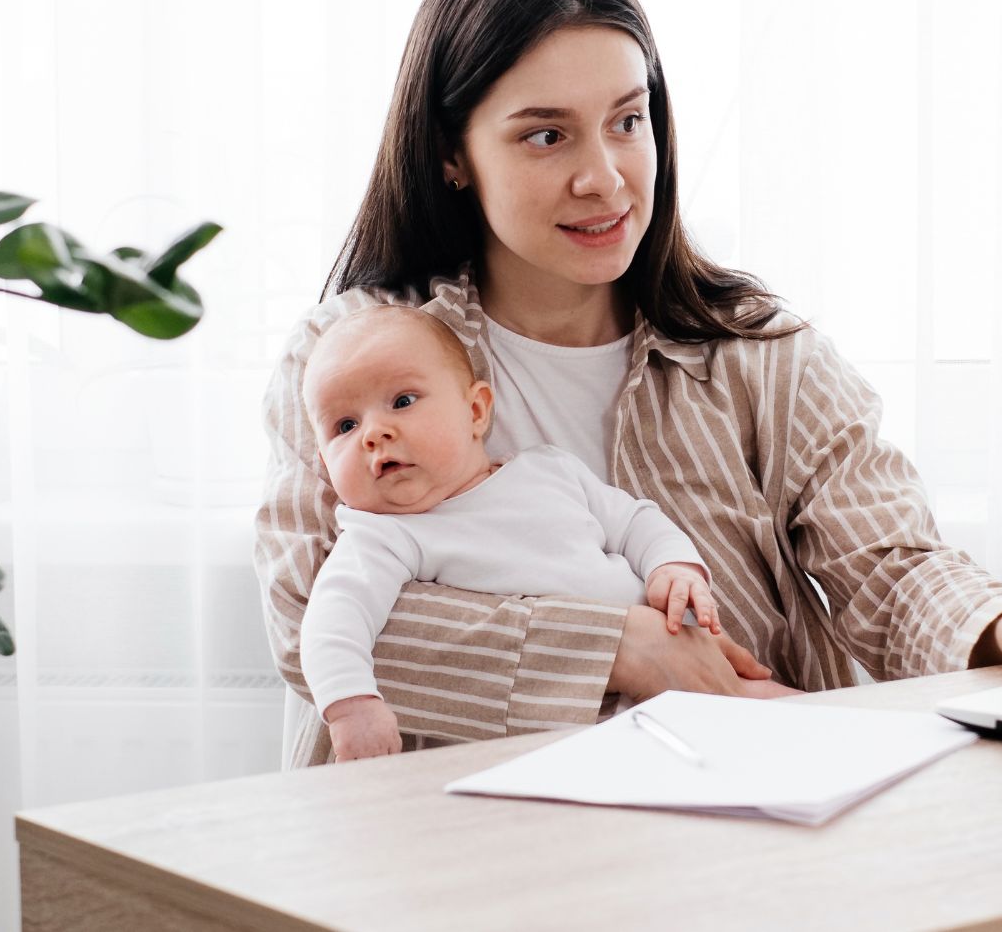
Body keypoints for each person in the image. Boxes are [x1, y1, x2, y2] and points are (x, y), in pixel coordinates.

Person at [254, 0, 1002, 769]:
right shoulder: (347, 361)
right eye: (547, 135)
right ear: (451, 153)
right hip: (443, 847)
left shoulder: (759, 354)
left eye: (628, 121)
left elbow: (892, 567)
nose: (605, 175)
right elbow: (309, 618)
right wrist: (619, 649)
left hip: (730, 831)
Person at [299, 305, 772, 762]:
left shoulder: (549, 469)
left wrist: (673, 565)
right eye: (344, 425)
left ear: (476, 411)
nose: (373, 434)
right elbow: (334, 617)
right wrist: (351, 703)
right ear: (325, 464)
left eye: (402, 401)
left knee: (787, 713)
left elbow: (634, 521)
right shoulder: (384, 535)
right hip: (577, 723)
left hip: (690, 663)